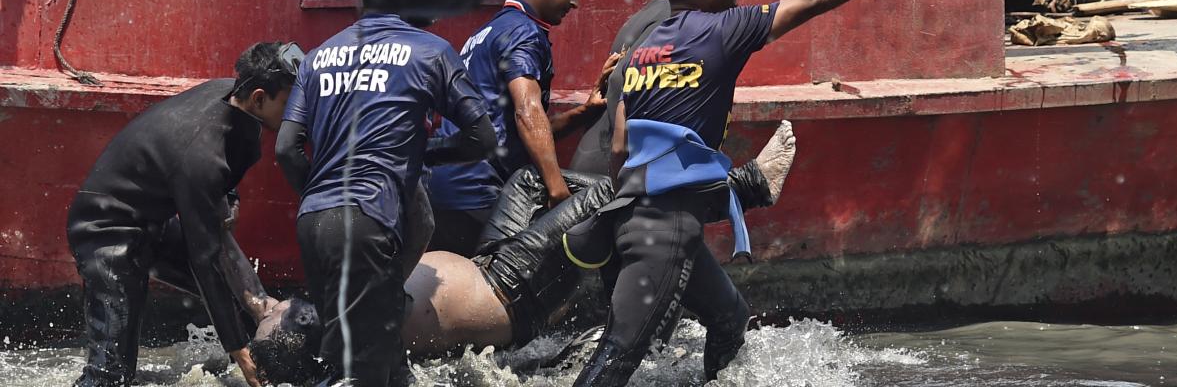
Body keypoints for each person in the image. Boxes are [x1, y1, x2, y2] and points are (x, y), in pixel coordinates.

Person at [574, 0, 953, 386]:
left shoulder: (640, 52)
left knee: (730, 319)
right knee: (616, 358)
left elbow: (619, 147)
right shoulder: (723, 30)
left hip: (639, 218)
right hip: (664, 230)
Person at [248, 121, 796, 386]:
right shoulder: (363, 318)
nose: (270, 302)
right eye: (275, 311)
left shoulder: (340, 321)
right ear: (307, 322)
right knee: (609, 197)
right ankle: (741, 188)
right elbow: (415, 231)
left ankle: (632, 245)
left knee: (533, 180)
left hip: (489, 263)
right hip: (513, 290)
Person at [274, 9, 499, 387]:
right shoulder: (431, 52)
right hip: (368, 221)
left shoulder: (317, 58)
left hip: (314, 224)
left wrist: (326, 199)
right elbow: (482, 137)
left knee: (388, 370)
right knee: (359, 376)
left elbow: (285, 149)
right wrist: (420, 153)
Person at [66, 41, 304, 387]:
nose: (298, 111)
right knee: (109, 377)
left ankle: (243, 371)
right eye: (289, 102)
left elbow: (224, 171)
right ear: (258, 98)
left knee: (244, 306)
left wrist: (230, 198)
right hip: (105, 228)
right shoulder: (201, 156)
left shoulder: (233, 97)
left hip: (154, 220)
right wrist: (238, 349)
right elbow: (204, 259)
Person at [427, 0, 619, 256]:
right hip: (480, 193)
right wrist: (558, 191)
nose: (574, 2)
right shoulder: (523, 32)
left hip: (442, 193)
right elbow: (527, 111)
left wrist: (584, 111)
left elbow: (519, 128)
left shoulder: (487, 32)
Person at [569, 0, 673, 176]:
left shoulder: (645, 15)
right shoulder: (670, 20)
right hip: (609, 173)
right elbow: (623, 90)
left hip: (593, 161)